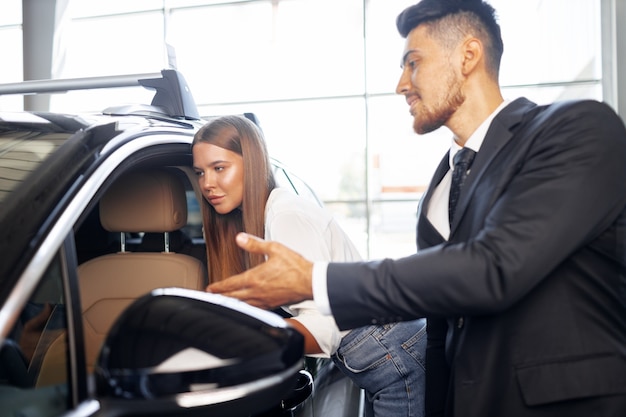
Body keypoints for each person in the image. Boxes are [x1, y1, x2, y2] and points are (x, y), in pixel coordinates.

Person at [207, 1, 626, 416]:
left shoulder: (577, 129)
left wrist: (316, 280)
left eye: (413, 63)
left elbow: (493, 268)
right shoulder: (442, 183)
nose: (401, 84)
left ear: (468, 55)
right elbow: (440, 319)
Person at [191, 115, 427, 417]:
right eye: (200, 172)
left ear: (251, 164)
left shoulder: (285, 217)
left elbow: (323, 327)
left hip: (394, 356)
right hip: (380, 355)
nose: (207, 183)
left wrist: (241, 345)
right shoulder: (259, 219)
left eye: (219, 168)